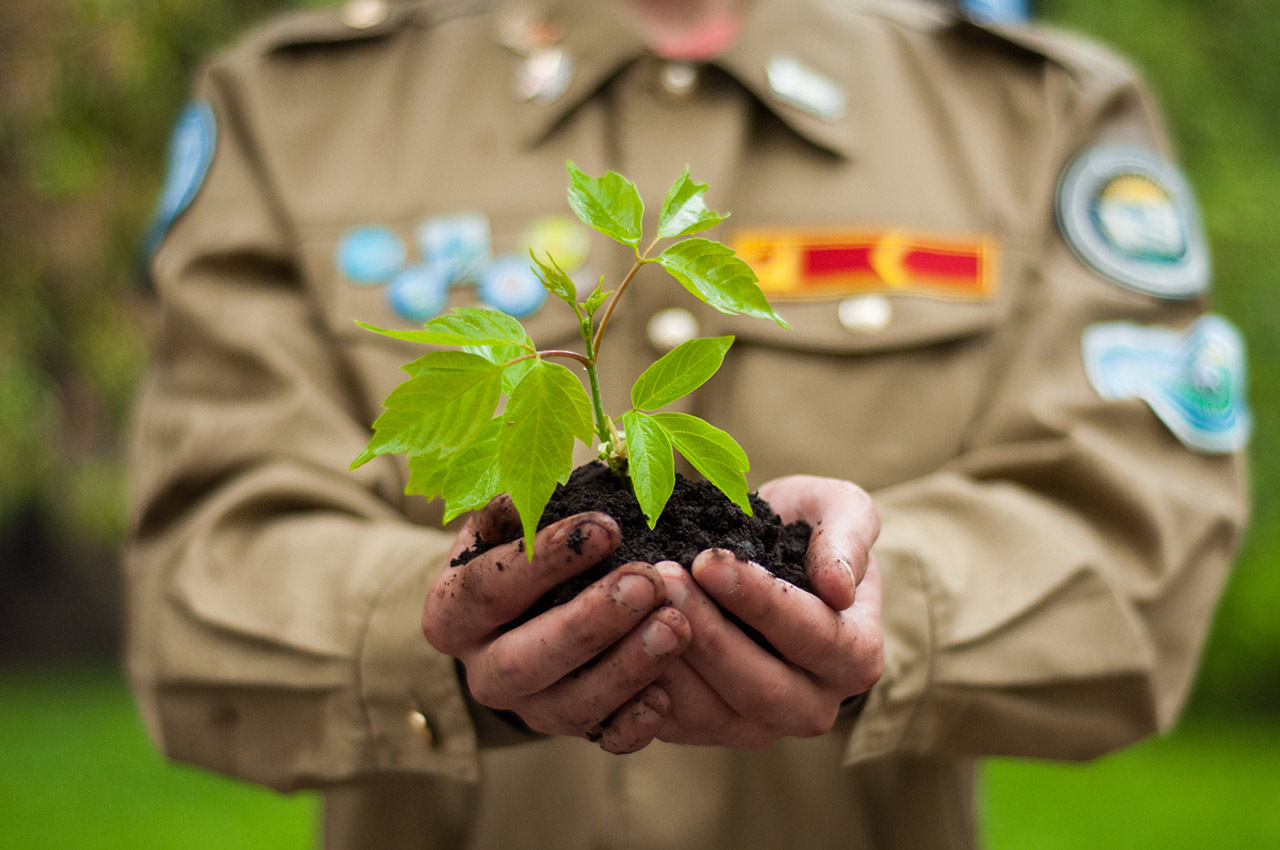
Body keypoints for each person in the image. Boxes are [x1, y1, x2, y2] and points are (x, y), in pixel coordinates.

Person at [125, 0, 1250, 848]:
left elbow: (1133, 528)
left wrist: (865, 604)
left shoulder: (1029, 107)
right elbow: (202, 556)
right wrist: (448, 638)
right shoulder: (297, 106)